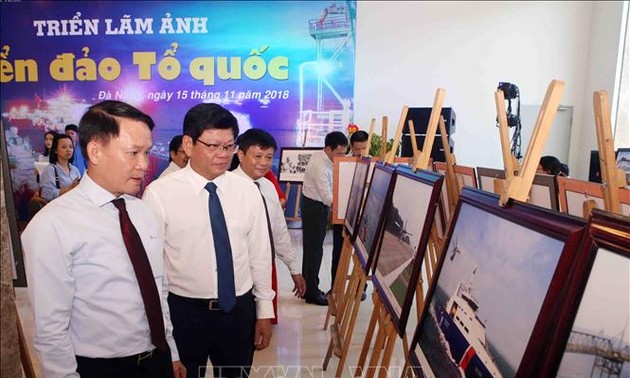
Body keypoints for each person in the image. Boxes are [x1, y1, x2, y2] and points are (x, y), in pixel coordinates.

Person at [22, 100, 185, 378]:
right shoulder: (53, 224)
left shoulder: (143, 212)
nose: (144, 164)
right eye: (133, 153)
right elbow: (50, 328)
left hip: (156, 359)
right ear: (95, 151)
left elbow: (158, 288)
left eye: (145, 152)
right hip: (99, 367)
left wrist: (171, 351)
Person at [142, 103, 273, 378]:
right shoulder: (159, 194)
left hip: (238, 311)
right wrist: (164, 333)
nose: (223, 155)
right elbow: (153, 272)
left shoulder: (247, 191)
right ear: (188, 144)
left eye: (228, 146)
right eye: (213, 146)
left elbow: (259, 255)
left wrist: (264, 310)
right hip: (186, 313)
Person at [234, 128, 307, 324]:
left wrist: (294, 268)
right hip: (237, 273)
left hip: (264, 265)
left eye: (268, 157)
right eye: (257, 156)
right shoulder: (226, 188)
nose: (264, 163)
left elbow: (279, 230)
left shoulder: (267, 187)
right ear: (240, 155)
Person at [301, 131, 348, 305]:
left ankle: (308, 288)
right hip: (314, 206)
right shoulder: (320, 166)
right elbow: (327, 195)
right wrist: (345, 206)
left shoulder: (326, 158)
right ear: (328, 149)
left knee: (312, 249)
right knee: (314, 250)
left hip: (317, 204)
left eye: (344, 153)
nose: (342, 157)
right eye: (339, 153)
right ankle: (312, 292)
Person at [331, 130, 370, 299]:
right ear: (351, 147)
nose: (360, 152)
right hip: (343, 216)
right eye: (357, 149)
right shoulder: (342, 164)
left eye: (364, 148)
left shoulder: (376, 165)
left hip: (365, 217)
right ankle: (335, 287)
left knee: (362, 255)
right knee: (338, 252)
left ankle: (360, 288)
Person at [39, 133, 81, 202]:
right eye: (64, 147)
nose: (68, 150)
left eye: (71, 147)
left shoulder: (75, 170)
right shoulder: (50, 170)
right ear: (55, 150)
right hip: (58, 209)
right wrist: (69, 188)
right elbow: (46, 194)